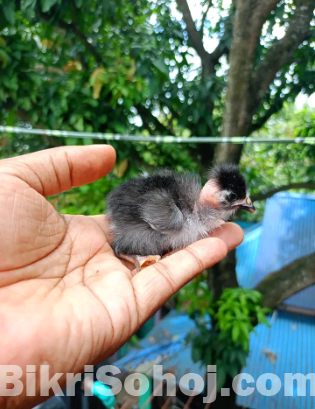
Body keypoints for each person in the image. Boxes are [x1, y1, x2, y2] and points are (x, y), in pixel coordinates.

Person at [0, 145, 243, 408]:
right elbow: (132, 203)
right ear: (214, 196)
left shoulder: (188, 208)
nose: (243, 205)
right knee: (165, 226)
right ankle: (128, 252)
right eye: (234, 200)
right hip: (132, 223)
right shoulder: (174, 215)